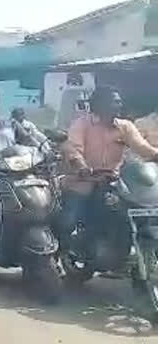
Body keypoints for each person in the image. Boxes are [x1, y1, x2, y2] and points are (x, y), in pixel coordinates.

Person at [59, 87, 158, 244]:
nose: (119, 105)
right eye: (115, 102)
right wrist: (82, 168)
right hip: (82, 182)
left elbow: (143, 148)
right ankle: (61, 253)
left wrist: (155, 156)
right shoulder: (82, 124)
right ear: (100, 104)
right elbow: (73, 149)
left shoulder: (125, 126)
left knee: (135, 213)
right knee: (68, 222)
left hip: (112, 182)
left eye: (119, 101)